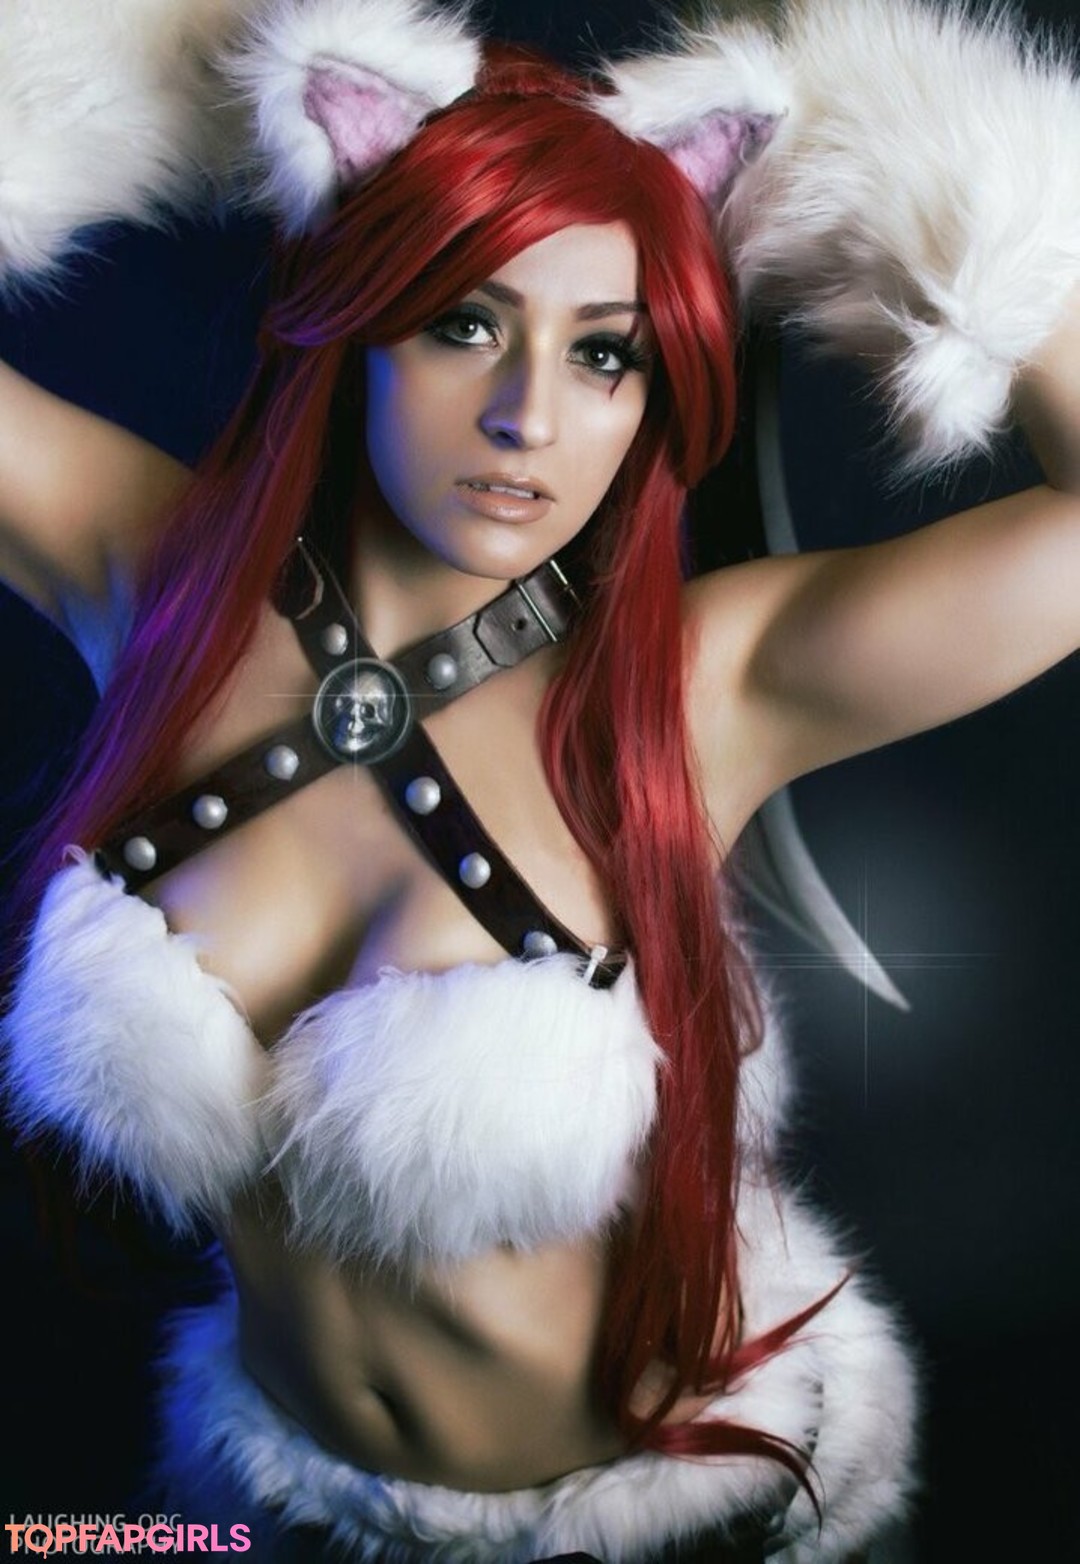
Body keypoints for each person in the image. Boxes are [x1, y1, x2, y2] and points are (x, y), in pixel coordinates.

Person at [2, 0, 1078, 1559]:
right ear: (361, 317)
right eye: (463, 322)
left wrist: (915, 153)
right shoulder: (158, 577)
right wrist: (160, 54)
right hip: (265, 1515)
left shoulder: (699, 687)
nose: (526, 416)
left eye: (604, 353)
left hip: (678, 1523)